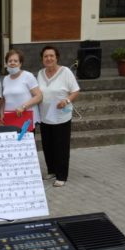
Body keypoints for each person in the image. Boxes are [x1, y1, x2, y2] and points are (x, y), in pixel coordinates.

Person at [37, 46, 80, 188]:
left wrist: (66, 100)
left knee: (61, 146)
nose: (48, 59)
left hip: (61, 117)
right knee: (47, 145)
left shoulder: (65, 72)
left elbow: (75, 90)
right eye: (45, 56)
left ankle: (62, 175)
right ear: (42, 59)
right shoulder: (40, 73)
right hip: (45, 116)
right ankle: (52, 171)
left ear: (57, 57)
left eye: (51, 56)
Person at [0, 49, 42, 128]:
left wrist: (23, 107)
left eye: (15, 61)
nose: (12, 63)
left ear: (20, 63)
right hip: (10, 118)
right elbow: (4, 99)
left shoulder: (28, 76)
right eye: (10, 61)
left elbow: (39, 96)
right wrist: (2, 114)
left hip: (26, 118)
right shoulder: (5, 79)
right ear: (7, 63)